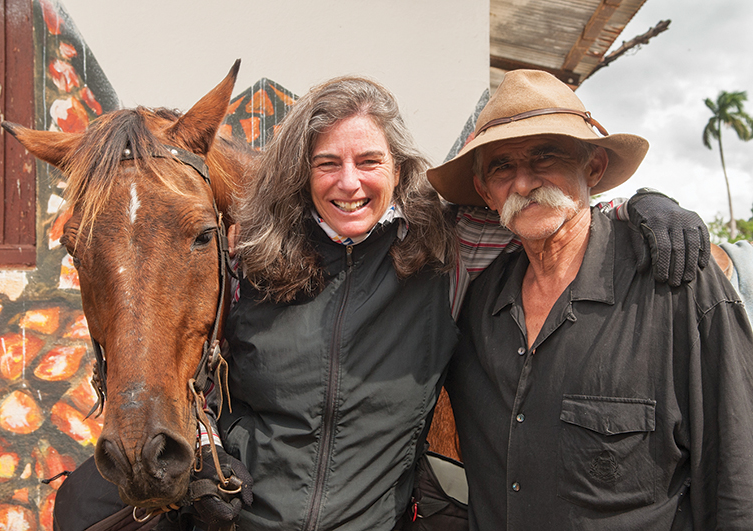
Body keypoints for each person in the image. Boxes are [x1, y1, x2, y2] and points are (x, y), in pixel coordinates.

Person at [53, 74, 707, 531]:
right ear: (300, 171)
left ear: (398, 169)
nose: (349, 181)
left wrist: (636, 209)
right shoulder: (246, 258)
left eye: (369, 160)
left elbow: (541, 213)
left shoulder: (440, 253)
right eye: (326, 162)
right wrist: (206, 450)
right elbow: (187, 351)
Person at [426, 69, 753, 529]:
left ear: (594, 167)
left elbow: (738, 468)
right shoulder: (474, 304)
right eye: (502, 167)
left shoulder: (676, 282)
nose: (523, 183)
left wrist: (648, 198)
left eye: (546, 156)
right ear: (484, 192)